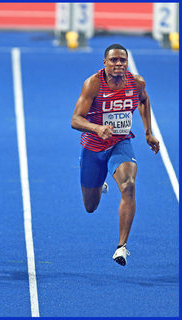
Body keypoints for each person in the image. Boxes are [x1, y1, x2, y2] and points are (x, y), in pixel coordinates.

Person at [71, 43, 160, 266]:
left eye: (122, 60)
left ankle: (121, 247)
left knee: (129, 185)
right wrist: (97, 128)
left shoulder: (136, 83)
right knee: (90, 207)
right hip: (93, 146)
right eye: (113, 60)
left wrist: (148, 133)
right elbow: (75, 119)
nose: (118, 64)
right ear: (105, 63)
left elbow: (144, 100)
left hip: (121, 142)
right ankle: (99, 180)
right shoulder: (93, 84)